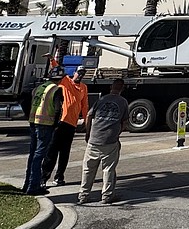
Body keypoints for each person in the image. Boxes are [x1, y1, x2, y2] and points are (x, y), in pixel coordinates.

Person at [78, 77, 129, 205]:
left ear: (110, 87)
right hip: (110, 140)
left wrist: (88, 132)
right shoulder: (123, 102)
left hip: (94, 138)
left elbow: (89, 115)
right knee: (108, 169)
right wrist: (117, 133)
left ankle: (83, 195)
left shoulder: (102, 100)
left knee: (88, 168)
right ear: (122, 88)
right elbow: (125, 123)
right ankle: (107, 195)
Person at [42, 67, 90, 186]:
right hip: (61, 123)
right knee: (52, 151)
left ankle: (59, 177)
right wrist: (52, 59)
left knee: (65, 153)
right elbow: (58, 70)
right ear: (74, 73)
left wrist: (86, 123)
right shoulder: (66, 81)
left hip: (71, 125)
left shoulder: (83, 88)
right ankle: (43, 178)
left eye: (83, 74)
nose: (80, 75)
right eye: (79, 73)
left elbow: (85, 106)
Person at [23, 69, 63, 196]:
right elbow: (57, 110)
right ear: (59, 79)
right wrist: (56, 124)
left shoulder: (39, 88)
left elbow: (27, 101)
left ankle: (27, 184)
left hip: (34, 122)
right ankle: (33, 186)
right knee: (39, 156)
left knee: (33, 154)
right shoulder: (56, 89)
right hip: (46, 125)